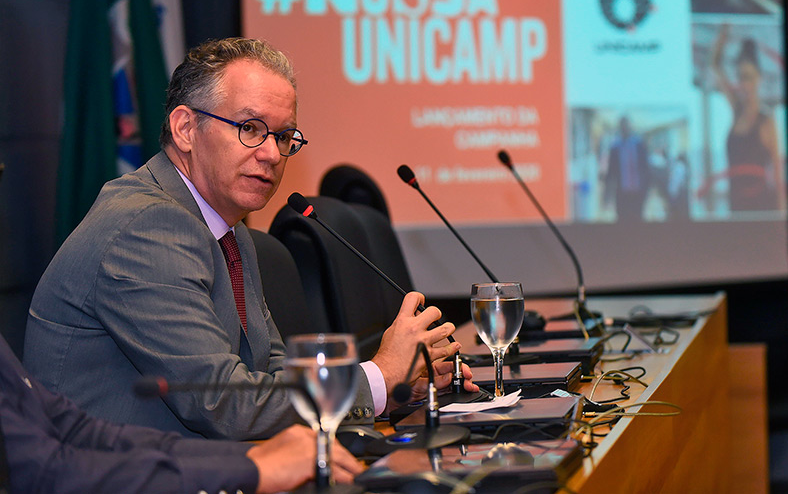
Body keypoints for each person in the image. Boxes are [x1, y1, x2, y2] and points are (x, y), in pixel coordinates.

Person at [24, 38, 476, 441]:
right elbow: (226, 402)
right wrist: (377, 377)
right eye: (251, 128)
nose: (270, 154)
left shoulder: (228, 228)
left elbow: (270, 372)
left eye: (282, 136)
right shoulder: (146, 227)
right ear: (185, 129)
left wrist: (394, 392)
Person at [0, 332, 363, 493]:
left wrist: (259, 455)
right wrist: (253, 469)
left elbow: (79, 431)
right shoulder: (145, 226)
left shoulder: (233, 240)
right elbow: (41, 473)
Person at [711, 25, 783, 212]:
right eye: (741, 78)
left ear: (759, 77)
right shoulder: (736, 110)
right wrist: (723, 34)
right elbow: (715, 65)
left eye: (749, 77)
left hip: (761, 205)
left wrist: (781, 213)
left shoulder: (766, 121)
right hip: (735, 204)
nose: (745, 84)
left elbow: (777, 174)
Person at [602, 116, 651, 221]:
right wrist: (607, 195)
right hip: (622, 193)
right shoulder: (615, 148)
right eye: (622, 126)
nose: (625, 128)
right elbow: (611, 172)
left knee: (637, 221)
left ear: (630, 127)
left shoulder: (639, 145)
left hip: (638, 192)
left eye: (627, 126)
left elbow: (646, 169)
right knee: (622, 221)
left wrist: (646, 189)